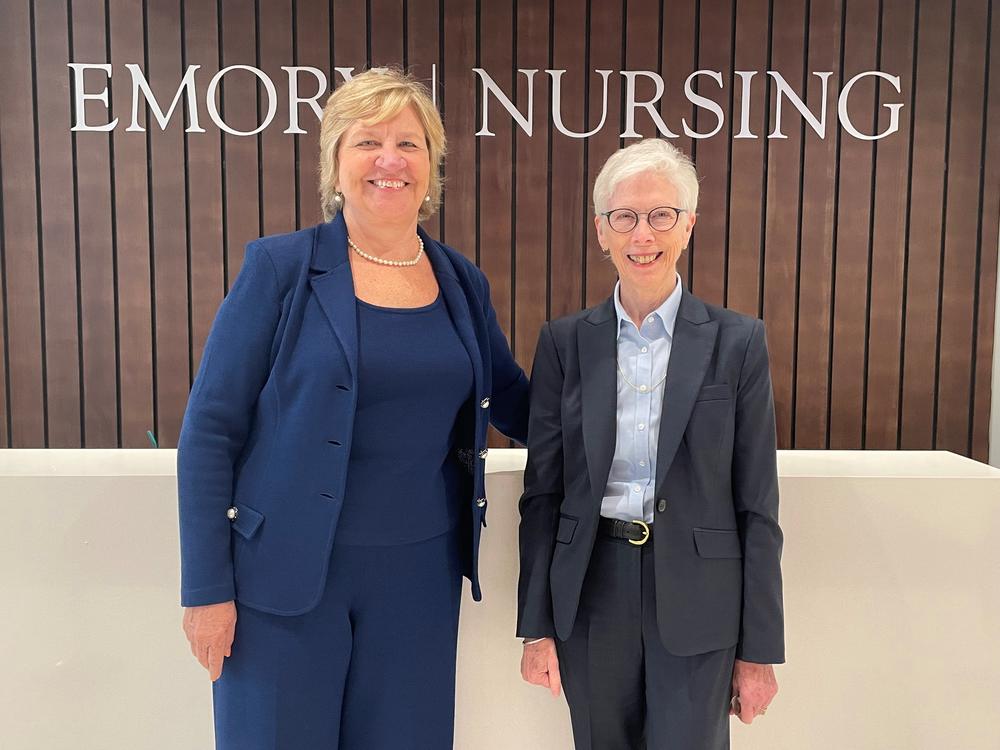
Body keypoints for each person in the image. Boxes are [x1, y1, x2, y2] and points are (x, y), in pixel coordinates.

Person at [177, 68, 528, 750]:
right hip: (282, 583)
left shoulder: (461, 281)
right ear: (336, 164)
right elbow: (210, 432)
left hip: (419, 584)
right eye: (368, 142)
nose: (390, 160)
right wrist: (205, 590)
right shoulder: (279, 268)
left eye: (410, 143)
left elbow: (514, 398)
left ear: (432, 168)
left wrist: (625, 401)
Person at [516, 138, 783, 750]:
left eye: (662, 214)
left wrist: (760, 650)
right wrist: (536, 626)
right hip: (592, 592)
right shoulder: (564, 344)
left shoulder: (738, 342)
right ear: (601, 231)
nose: (643, 233)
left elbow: (758, 506)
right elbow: (544, 494)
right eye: (625, 217)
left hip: (700, 599)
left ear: (688, 224)